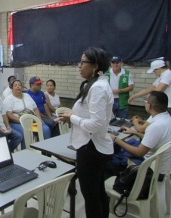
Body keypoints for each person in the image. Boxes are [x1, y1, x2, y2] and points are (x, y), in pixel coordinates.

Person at [59, 47, 113, 218]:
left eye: (83, 62)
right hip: (95, 146)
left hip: (91, 148)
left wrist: (72, 118)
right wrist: (72, 116)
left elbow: (97, 123)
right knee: (98, 191)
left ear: (95, 66)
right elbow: (105, 116)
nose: (79, 66)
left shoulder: (97, 88)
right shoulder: (97, 84)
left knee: (91, 196)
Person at [109, 91, 171, 178]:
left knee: (109, 159)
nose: (145, 103)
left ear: (149, 106)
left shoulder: (155, 127)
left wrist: (115, 139)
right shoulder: (167, 117)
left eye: (146, 101)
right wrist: (134, 132)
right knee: (128, 143)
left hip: (149, 169)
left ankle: (115, 186)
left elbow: (139, 153)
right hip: (159, 164)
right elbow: (153, 140)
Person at [4, 80, 51, 149]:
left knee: (46, 129)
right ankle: (26, 153)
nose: (18, 87)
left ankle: (47, 151)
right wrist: (23, 121)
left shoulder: (27, 96)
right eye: (15, 85)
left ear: (22, 87)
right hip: (17, 123)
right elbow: (9, 115)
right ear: (12, 88)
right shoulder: (9, 99)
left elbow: (35, 109)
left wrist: (39, 119)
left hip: (32, 122)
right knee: (27, 133)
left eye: (19, 85)